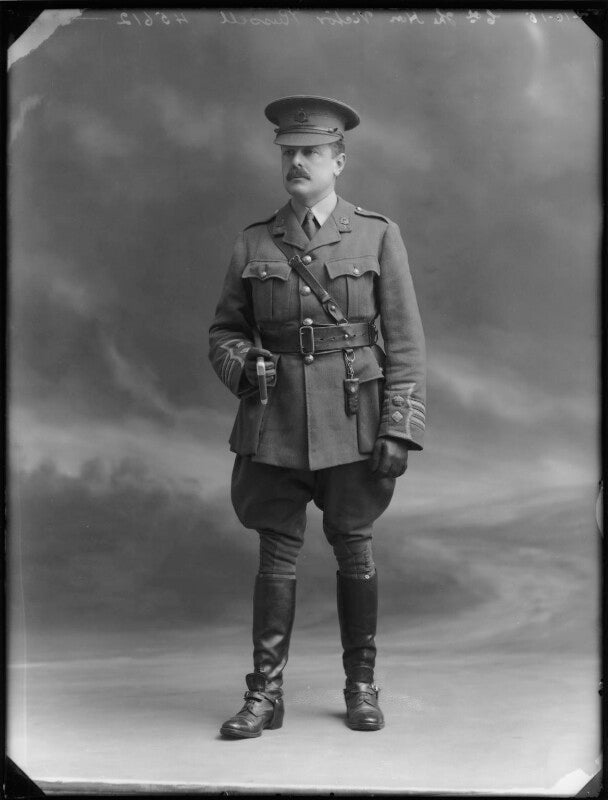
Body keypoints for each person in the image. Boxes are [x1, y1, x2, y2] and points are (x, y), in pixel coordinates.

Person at [209, 95, 426, 738]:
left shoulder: (377, 234)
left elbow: (406, 342)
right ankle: (264, 695)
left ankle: (361, 687)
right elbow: (224, 332)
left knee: (354, 548)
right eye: (288, 152)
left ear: (339, 161)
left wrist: (399, 427)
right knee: (275, 554)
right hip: (274, 421)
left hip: (353, 419)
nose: (296, 163)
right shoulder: (254, 241)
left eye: (310, 152)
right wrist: (244, 363)